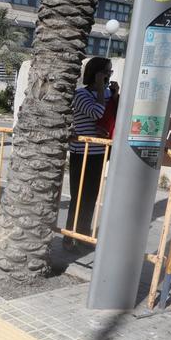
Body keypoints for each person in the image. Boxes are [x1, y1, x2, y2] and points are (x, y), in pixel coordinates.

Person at [66, 56, 118, 249]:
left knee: (91, 198)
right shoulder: (81, 95)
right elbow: (97, 113)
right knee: (78, 197)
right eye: (105, 72)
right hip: (81, 153)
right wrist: (98, 89)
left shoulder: (105, 95)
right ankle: (68, 237)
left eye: (110, 72)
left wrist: (113, 96)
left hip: (98, 153)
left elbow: (113, 115)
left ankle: (83, 235)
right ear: (95, 73)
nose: (108, 76)